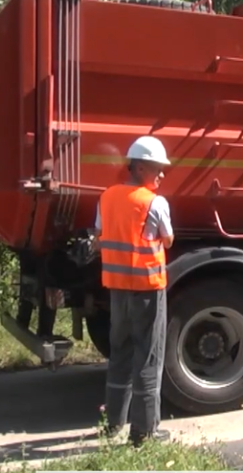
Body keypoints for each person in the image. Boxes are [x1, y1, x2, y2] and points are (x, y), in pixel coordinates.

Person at [94, 135, 175, 447]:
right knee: (148, 358)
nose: (162, 175)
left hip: (117, 289)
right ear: (140, 167)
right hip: (147, 288)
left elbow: (101, 234)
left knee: (121, 354)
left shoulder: (106, 197)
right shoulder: (155, 202)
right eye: (158, 168)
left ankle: (112, 424)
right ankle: (144, 432)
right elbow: (168, 240)